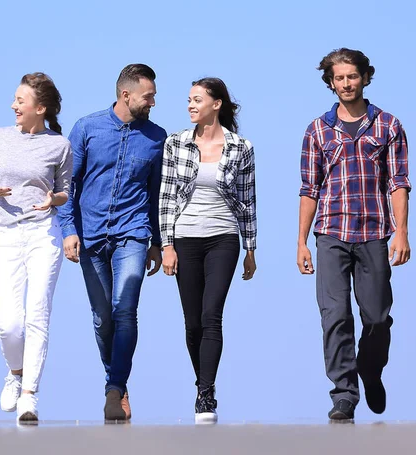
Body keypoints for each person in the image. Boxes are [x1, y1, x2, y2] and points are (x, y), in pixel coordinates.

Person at [298, 48, 411, 421]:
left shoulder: (389, 125)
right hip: (330, 233)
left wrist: (402, 233)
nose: (346, 83)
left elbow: (398, 182)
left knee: (377, 317)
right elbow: (309, 188)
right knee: (334, 316)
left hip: (375, 232)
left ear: (365, 77)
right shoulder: (317, 129)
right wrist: (301, 241)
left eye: (352, 76)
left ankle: (371, 369)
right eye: (339, 77)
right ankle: (343, 393)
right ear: (330, 82)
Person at [58, 63, 166, 421]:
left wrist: (157, 242)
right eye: (148, 96)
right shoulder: (87, 128)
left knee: (124, 308)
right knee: (103, 317)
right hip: (89, 236)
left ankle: (114, 387)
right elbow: (67, 186)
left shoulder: (156, 137)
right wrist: (68, 230)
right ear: (126, 95)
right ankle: (116, 383)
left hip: (132, 234)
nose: (153, 101)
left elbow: (156, 196)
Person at [159, 78, 257, 423]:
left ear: (216, 103)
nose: (190, 105)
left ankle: (206, 392)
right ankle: (200, 380)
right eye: (188, 99)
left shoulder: (241, 147)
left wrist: (250, 248)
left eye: (197, 99)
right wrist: (166, 245)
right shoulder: (176, 143)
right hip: (185, 238)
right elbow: (166, 197)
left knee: (211, 314)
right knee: (192, 321)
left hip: (224, 237)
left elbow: (247, 201)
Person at [0, 73, 72, 424]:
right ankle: (15, 373)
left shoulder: (59, 145)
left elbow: (65, 191)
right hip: (4, 233)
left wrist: (54, 199)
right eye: (15, 100)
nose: (13, 106)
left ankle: (30, 395)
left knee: (37, 313)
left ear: (40, 108)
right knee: (9, 323)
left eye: (20, 100)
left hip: (42, 233)